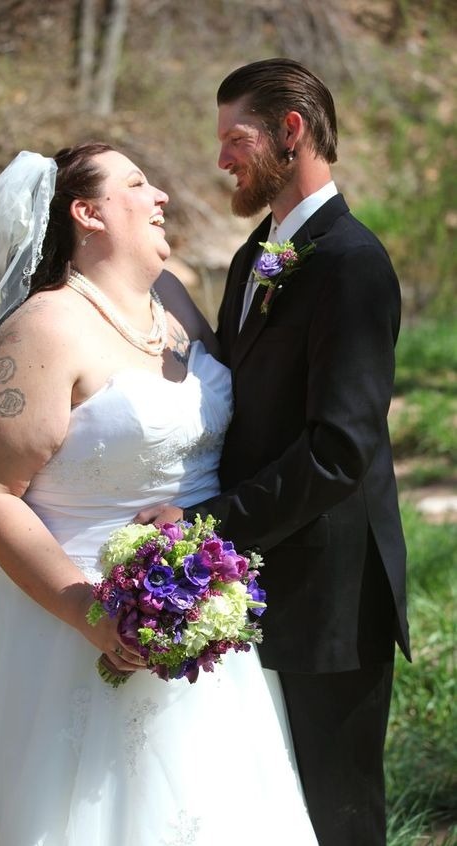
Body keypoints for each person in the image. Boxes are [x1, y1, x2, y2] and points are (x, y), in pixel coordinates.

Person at [0, 143, 318, 845]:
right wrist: (88, 609)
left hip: (205, 611)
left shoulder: (176, 298)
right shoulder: (43, 330)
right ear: (87, 213)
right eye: (136, 183)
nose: (160, 195)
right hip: (70, 620)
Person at [136, 59, 411, 846]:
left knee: (337, 807)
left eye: (237, 138)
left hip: (332, 591)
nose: (222, 158)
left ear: (292, 132)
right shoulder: (262, 250)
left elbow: (339, 451)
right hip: (258, 577)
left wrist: (205, 525)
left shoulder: (354, 265)